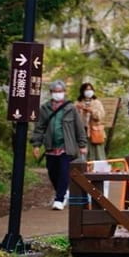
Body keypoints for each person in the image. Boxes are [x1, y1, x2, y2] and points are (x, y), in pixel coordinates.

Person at [31, 80, 88, 210]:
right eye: (55, 92)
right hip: (50, 147)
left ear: (64, 92)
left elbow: (79, 127)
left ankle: (59, 199)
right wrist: (36, 145)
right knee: (52, 173)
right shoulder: (45, 108)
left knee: (63, 172)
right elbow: (40, 128)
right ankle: (62, 192)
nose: (58, 94)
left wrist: (82, 144)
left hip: (66, 147)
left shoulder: (71, 108)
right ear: (51, 93)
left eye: (60, 91)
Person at [76, 82, 106, 161]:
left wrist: (91, 111)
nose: (89, 91)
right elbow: (73, 118)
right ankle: (82, 170)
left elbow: (101, 116)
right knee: (82, 153)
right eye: (86, 89)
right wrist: (78, 109)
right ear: (82, 91)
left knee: (97, 153)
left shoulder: (97, 103)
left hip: (95, 131)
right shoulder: (78, 103)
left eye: (90, 89)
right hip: (82, 131)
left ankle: (98, 171)